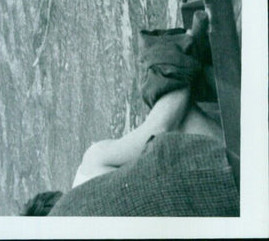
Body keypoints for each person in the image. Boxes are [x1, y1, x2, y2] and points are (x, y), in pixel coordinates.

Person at [22, 16, 238, 216]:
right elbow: (160, 127)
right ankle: (185, 57)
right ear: (58, 199)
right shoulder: (89, 166)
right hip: (215, 186)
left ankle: (187, 60)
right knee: (168, 119)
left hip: (211, 218)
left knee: (170, 123)